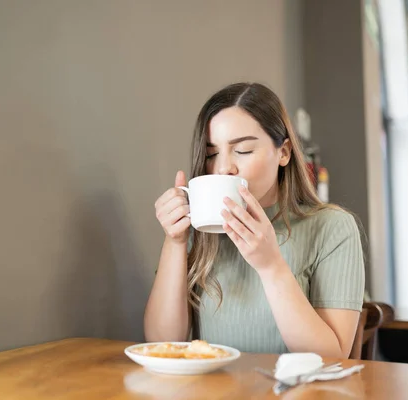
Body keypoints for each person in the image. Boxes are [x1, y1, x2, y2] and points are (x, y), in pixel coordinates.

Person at [144, 83, 365, 357]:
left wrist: (271, 266)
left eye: (243, 150)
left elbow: (332, 358)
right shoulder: (199, 227)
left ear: (283, 153)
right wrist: (175, 241)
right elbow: (162, 341)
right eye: (212, 154)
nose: (224, 168)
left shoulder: (332, 228)